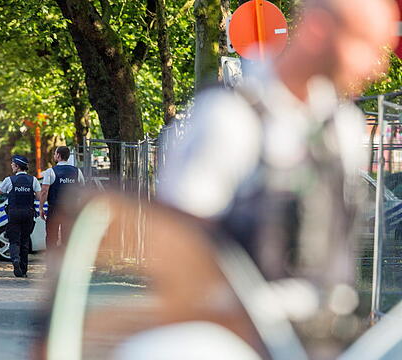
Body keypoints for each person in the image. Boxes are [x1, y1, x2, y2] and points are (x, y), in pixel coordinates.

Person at [159, 0, 398, 327]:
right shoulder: (229, 119)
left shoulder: (343, 129)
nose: (379, 67)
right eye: (366, 46)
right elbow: (177, 250)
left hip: (320, 352)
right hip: (236, 353)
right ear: (318, 30)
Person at [0, 155, 41, 278]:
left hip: (14, 213)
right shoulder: (33, 180)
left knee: (14, 240)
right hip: (28, 213)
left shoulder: (9, 180)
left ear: (17, 166)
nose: (11, 166)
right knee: (25, 241)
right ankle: (23, 269)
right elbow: (39, 196)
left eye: (12, 164)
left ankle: (15, 259)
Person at [39, 146, 84, 249]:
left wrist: (41, 208)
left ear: (58, 155)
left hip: (55, 208)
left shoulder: (50, 172)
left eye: (55, 153)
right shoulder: (77, 171)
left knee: (51, 236)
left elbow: (44, 191)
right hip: (71, 209)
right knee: (68, 237)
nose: (54, 155)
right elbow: (82, 190)